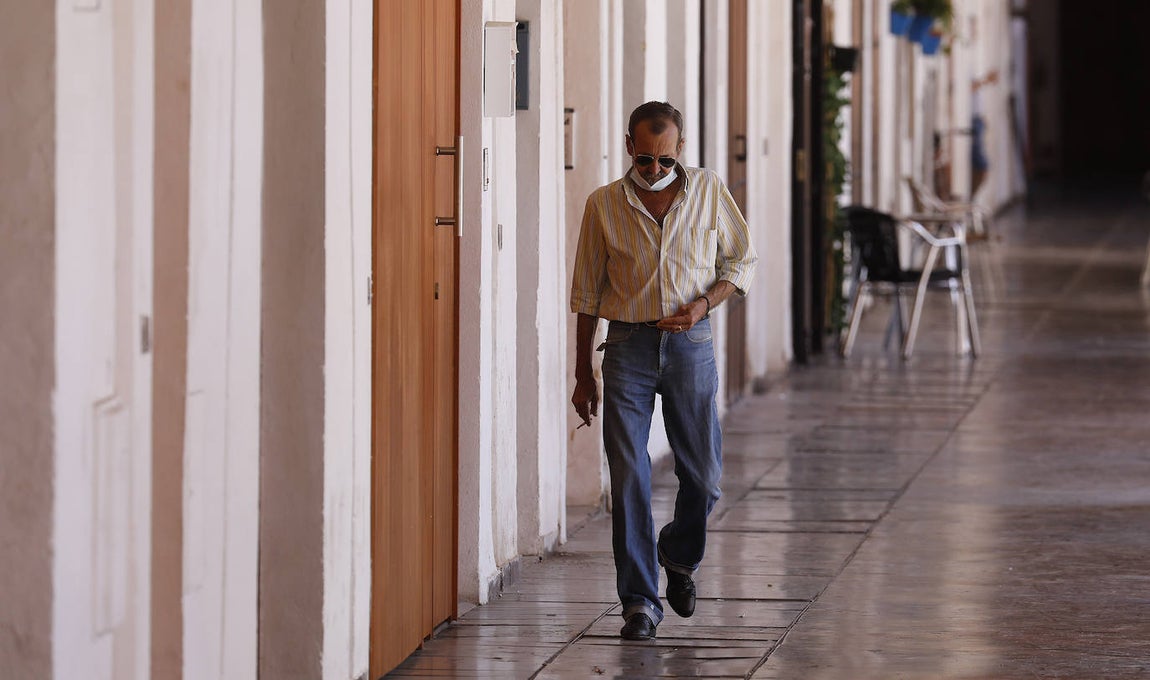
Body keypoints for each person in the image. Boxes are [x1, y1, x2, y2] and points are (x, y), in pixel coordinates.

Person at [569, 101, 758, 641]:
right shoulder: (603, 205)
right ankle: (639, 602)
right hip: (627, 346)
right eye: (646, 158)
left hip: (690, 345)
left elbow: (740, 260)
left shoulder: (707, 191)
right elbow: (586, 295)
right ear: (630, 146)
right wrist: (583, 374)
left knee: (704, 477)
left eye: (665, 158)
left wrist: (703, 306)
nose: (655, 169)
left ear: (680, 149)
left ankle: (678, 555)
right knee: (629, 473)